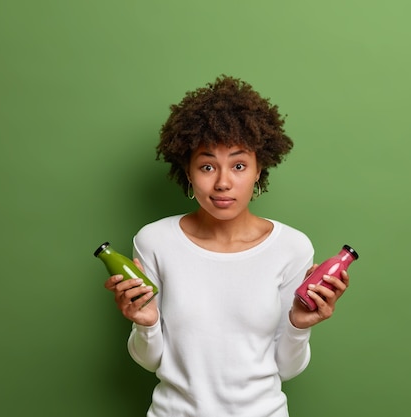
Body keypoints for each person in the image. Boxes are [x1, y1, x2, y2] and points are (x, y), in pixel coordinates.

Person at [104, 75, 350, 417]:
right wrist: (145, 323)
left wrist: (298, 325)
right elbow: (152, 361)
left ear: (258, 168)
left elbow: (286, 369)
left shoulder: (291, 247)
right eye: (207, 166)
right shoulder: (155, 240)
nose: (222, 183)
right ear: (188, 172)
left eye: (238, 165)